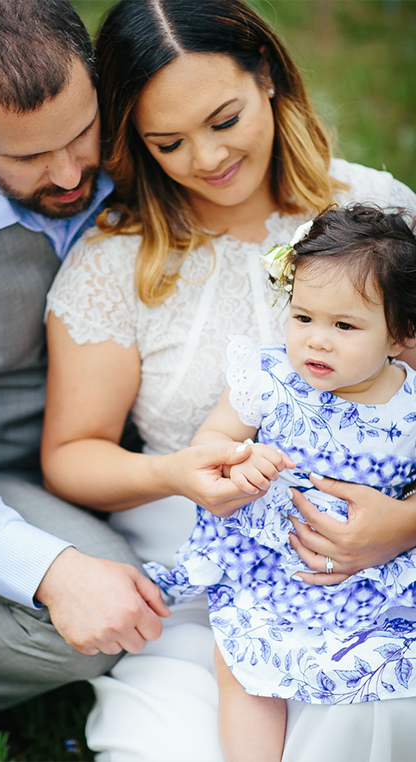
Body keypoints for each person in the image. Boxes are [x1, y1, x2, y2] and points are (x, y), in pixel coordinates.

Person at [42, 1, 416, 759]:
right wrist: (175, 472)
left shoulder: (381, 221)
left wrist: (404, 524)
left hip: (387, 553)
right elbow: (71, 454)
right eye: (169, 142)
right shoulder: (118, 261)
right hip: (208, 568)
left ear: (269, 76)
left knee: (368, 717)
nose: (207, 159)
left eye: (224, 119)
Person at [0, 0, 175, 721]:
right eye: (29, 156)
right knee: (113, 605)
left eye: (82, 133)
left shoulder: (129, 121)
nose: (71, 174)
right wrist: (53, 571)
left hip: (123, 451)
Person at [147, 205, 416, 762]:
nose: (317, 341)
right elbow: (211, 442)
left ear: (401, 333)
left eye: (344, 326)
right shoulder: (269, 380)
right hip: (270, 561)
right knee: (243, 663)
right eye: (303, 317)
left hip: (373, 568)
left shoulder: (411, 402)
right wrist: (239, 462)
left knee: (386, 668)